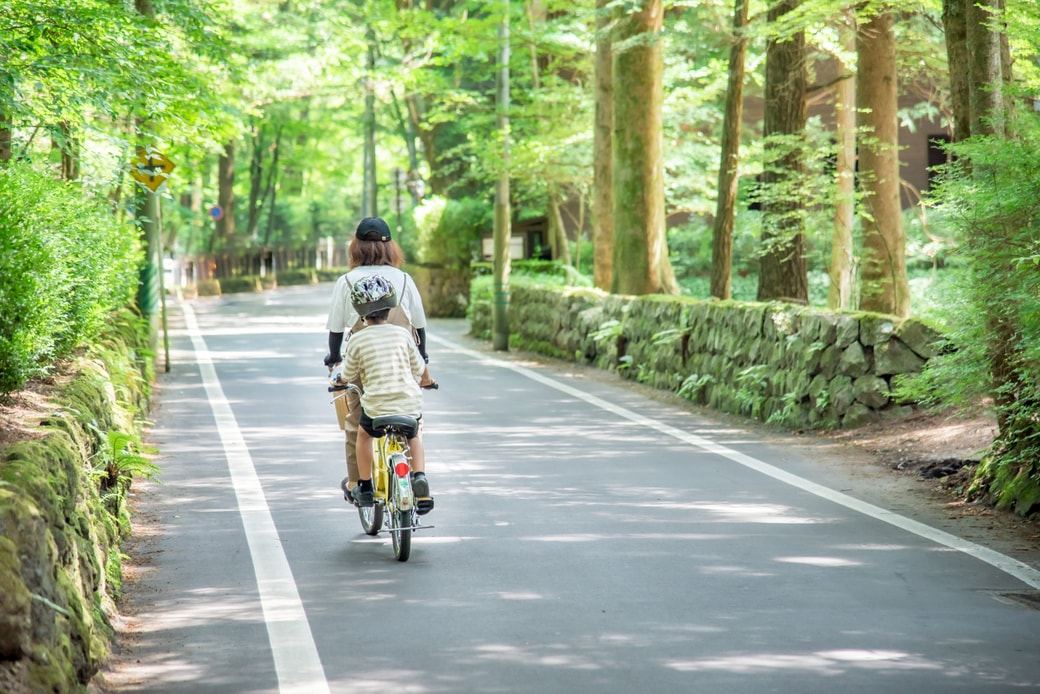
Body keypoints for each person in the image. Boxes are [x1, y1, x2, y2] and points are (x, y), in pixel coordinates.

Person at [324, 216, 434, 501]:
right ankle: (416, 480)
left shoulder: (346, 281)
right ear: (390, 248)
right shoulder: (405, 280)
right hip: (403, 353)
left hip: (364, 359)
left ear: (356, 247)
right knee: (412, 422)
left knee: (356, 421)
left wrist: (333, 358)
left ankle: (357, 484)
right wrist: (422, 365)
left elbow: (336, 328)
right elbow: (419, 327)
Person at [337, 274, 433, 511]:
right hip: (408, 404)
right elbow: (420, 367)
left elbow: (347, 374)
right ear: (390, 309)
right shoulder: (403, 334)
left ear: (361, 311)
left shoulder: (358, 339)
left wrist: (338, 380)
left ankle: (366, 487)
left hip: (377, 408)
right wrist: (427, 380)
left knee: (363, 435)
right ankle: (419, 478)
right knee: (415, 433)